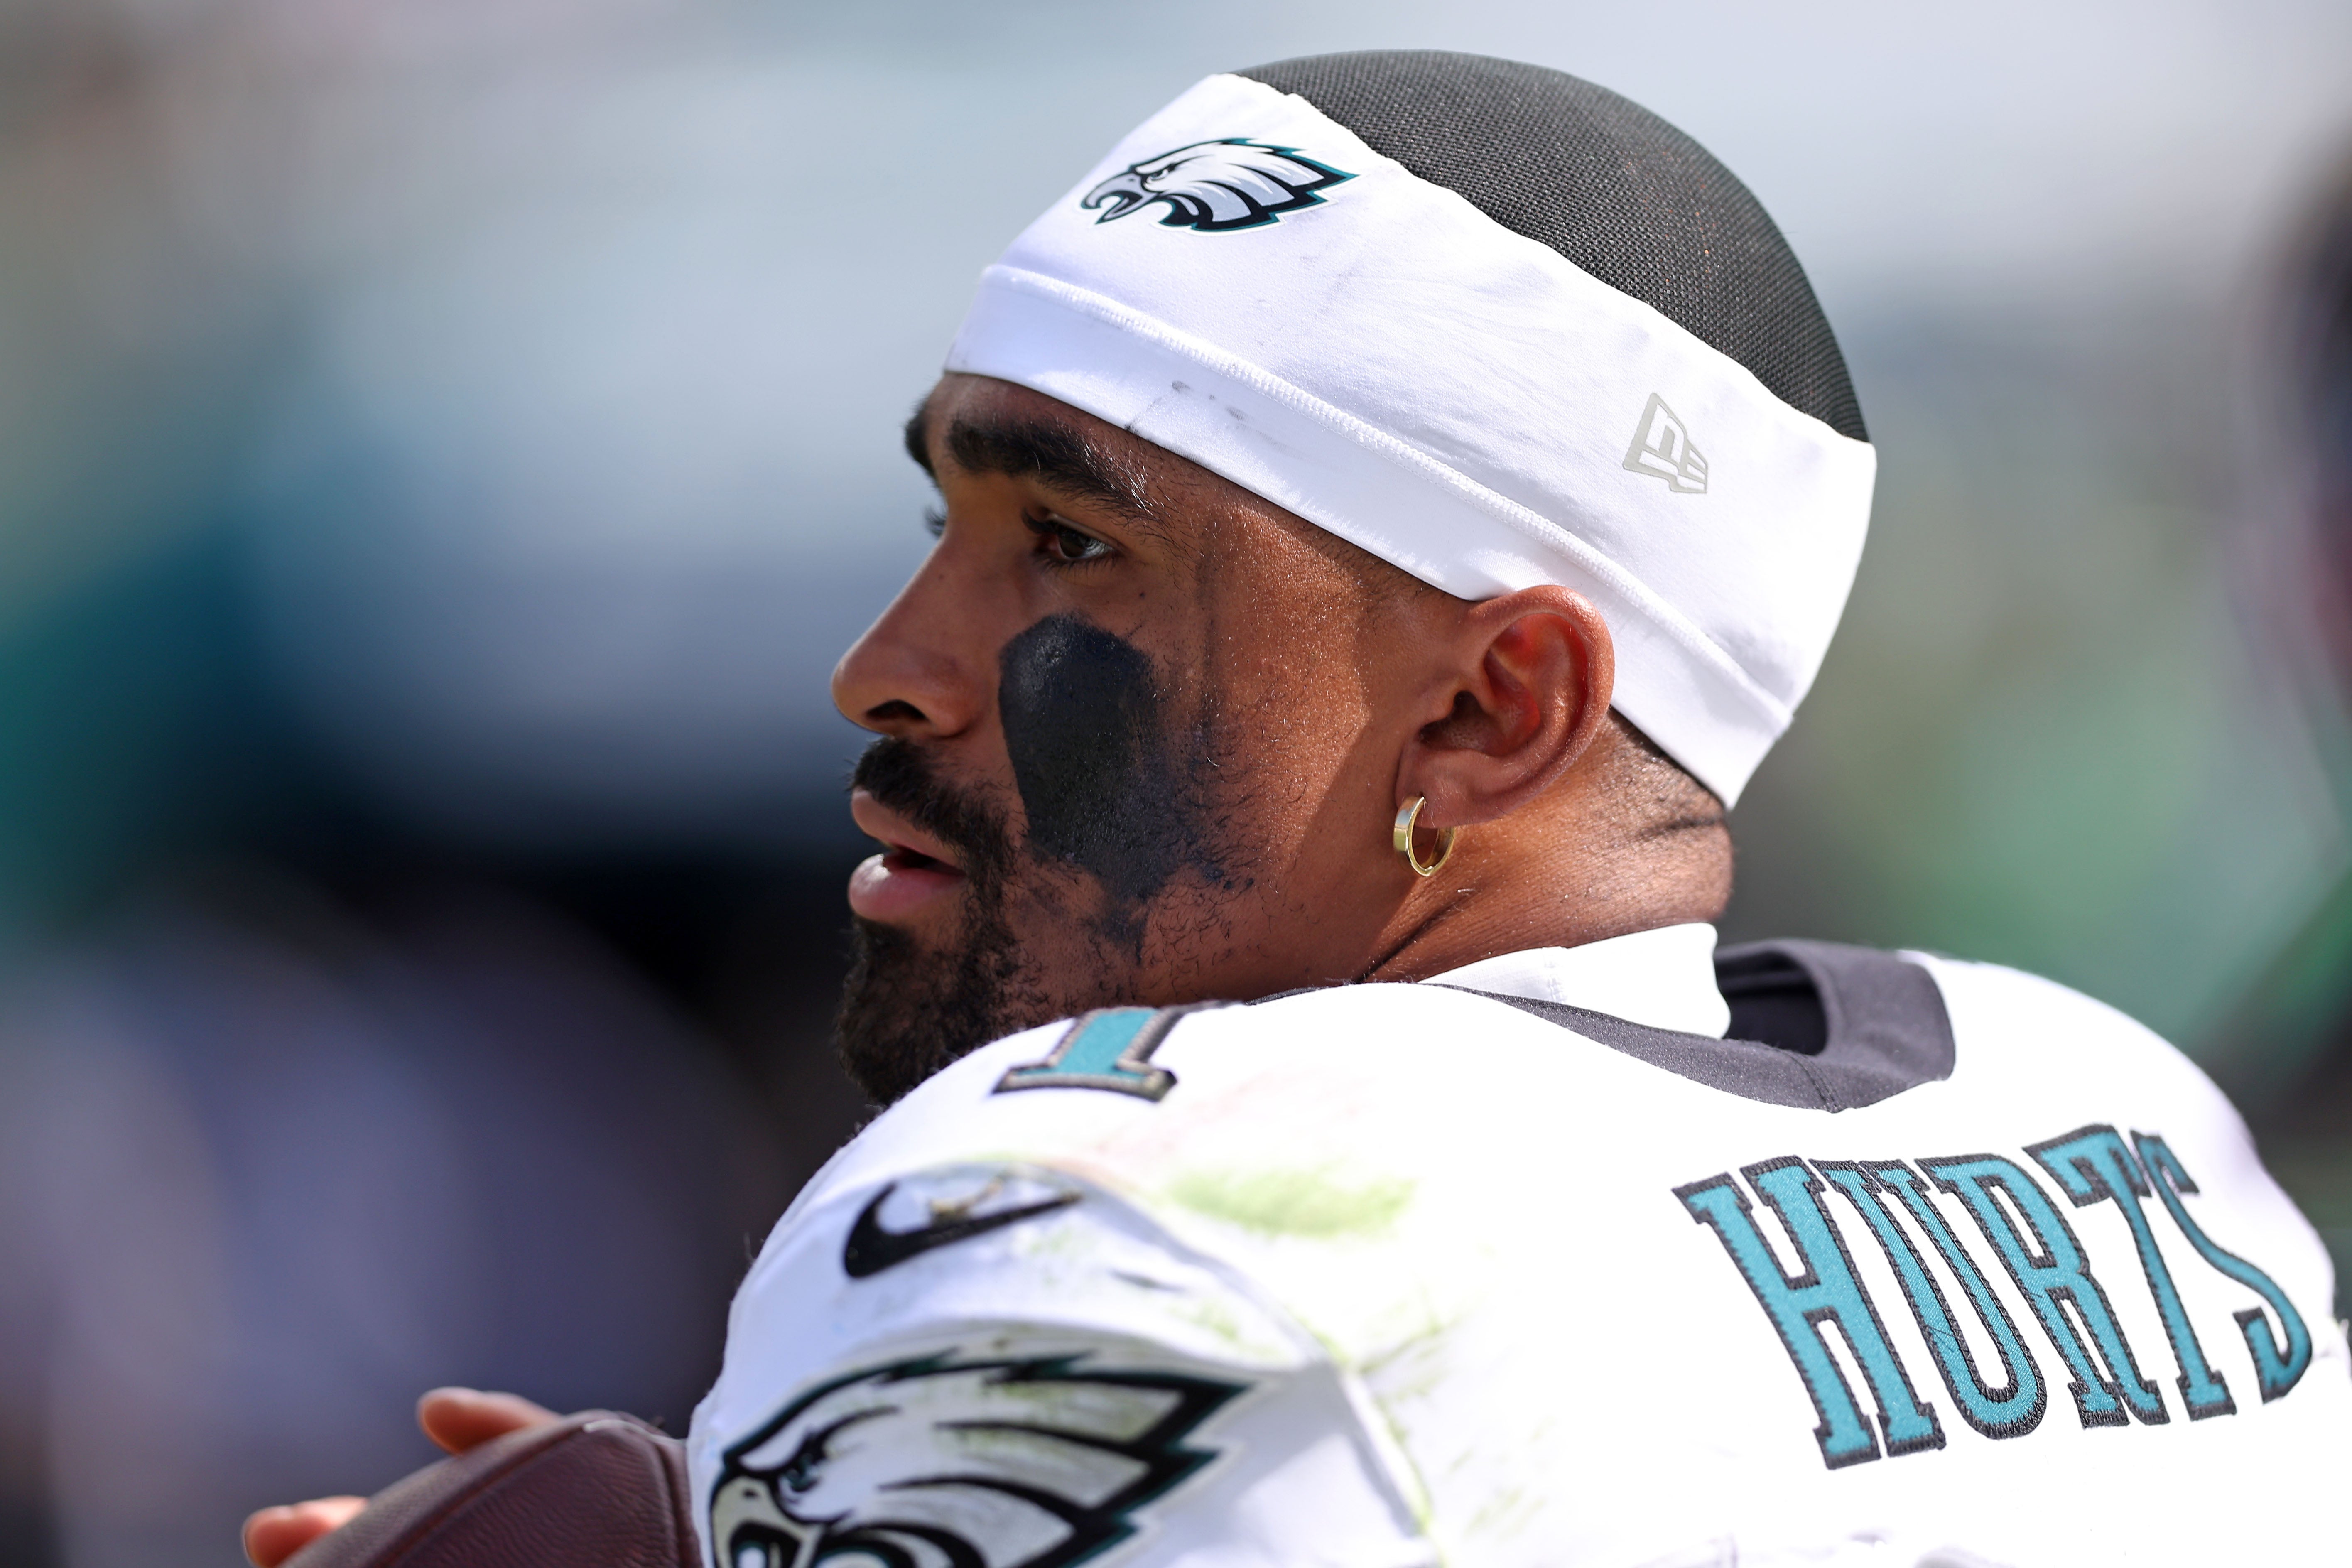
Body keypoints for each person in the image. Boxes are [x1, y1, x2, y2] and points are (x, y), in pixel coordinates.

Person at [247, 49, 2352, 1568]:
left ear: (1495, 710)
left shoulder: (1122, 1214)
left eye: (1069, 546)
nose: (886, 657)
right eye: (943, 513)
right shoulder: (2123, 1134)